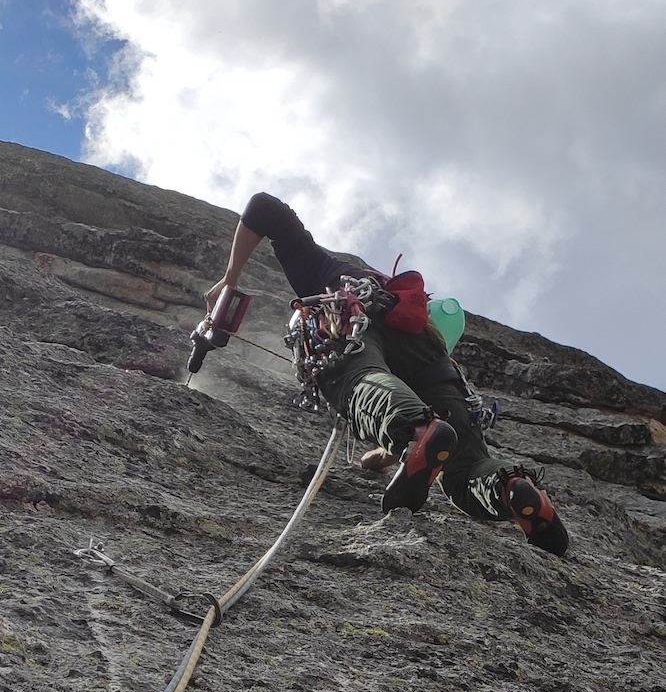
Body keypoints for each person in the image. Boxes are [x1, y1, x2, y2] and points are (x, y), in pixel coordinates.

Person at [205, 193, 569, 556]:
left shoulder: (326, 270)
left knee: (354, 378)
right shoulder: (420, 329)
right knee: (465, 470)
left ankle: (414, 431)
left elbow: (263, 207)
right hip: (434, 364)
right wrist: (391, 452)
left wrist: (230, 280)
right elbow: (422, 415)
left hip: (347, 318)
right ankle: (511, 487)